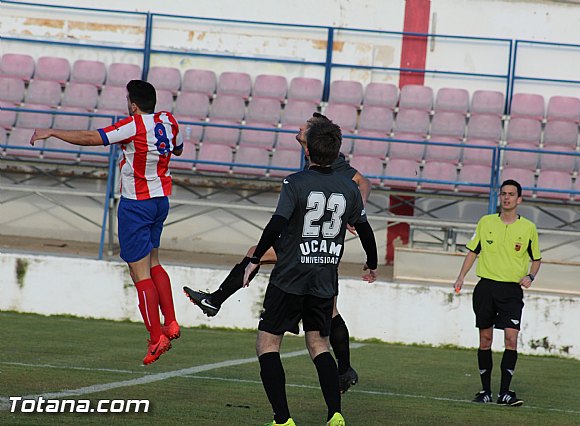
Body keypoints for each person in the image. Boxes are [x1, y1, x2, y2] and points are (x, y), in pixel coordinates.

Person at [184, 112, 370, 393]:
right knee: (328, 309)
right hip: (319, 248)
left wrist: (353, 214)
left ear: (311, 135)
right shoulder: (314, 152)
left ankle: (215, 300)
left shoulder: (335, 164)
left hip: (311, 246)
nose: (298, 128)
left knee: (259, 258)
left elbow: (363, 182)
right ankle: (344, 369)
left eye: (303, 127)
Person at [30, 80, 183, 365]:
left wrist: (52, 132)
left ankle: (155, 338)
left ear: (133, 105)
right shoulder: (168, 120)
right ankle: (171, 323)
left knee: (140, 275)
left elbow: (92, 137)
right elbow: (179, 150)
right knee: (154, 262)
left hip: (136, 205)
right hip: (161, 199)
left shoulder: (133, 124)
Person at [241, 114, 377, 426]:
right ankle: (336, 415)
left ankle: (282, 420)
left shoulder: (296, 182)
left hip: (291, 275)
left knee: (267, 342)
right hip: (325, 275)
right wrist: (372, 262)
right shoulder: (349, 188)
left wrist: (255, 257)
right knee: (318, 344)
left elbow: (277, 224)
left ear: (308, 152)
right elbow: (365, 229)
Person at [453, 179, 541, 407]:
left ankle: (505, 392)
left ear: (519, 199)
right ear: (499, 197)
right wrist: (461, 276)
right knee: (485, 339)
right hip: (486, 288)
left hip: (511, 291)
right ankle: (485, 391)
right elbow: (473, 251)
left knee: (511, 338)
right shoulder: (486, 222)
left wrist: (530, 276)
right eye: (504, 194)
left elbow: (537, 259)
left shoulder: (528, 228)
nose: (507, 197)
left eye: (512, 194)